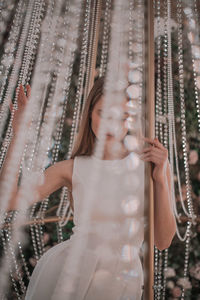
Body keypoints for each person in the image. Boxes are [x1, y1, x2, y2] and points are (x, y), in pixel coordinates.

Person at [0, 77, 176, 299]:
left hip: (122, 281)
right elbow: (8, 200)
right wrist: (19, 134)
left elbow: (163, 241)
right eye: (104, 114)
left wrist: (160, 179)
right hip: (70, 274)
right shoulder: (72, 168)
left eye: (122, 117)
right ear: (90, 113)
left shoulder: (151, 165)